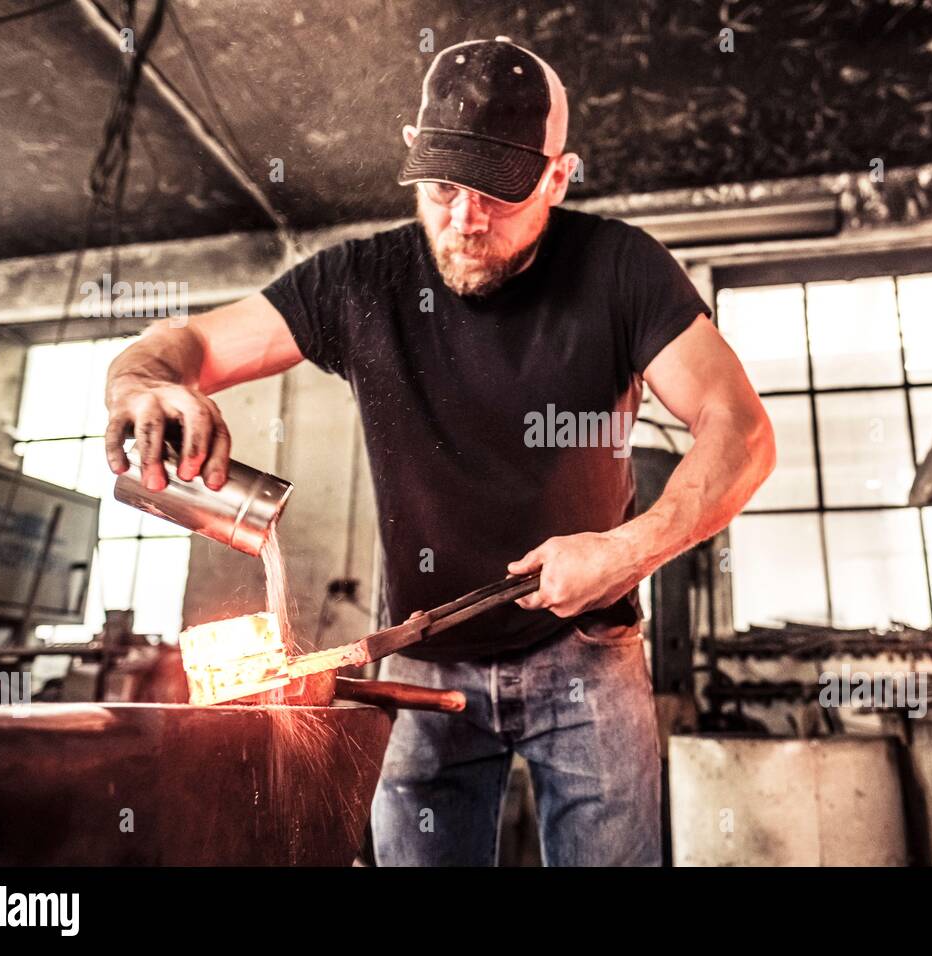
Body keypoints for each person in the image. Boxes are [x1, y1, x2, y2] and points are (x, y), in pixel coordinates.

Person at [104, 37, 774, 866]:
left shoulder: (620, 269)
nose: (464, 219)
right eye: (443, 186)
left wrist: (629, 551)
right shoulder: (359, 281)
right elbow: (184, 344)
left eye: (497, 193)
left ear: (558, 178)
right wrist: (142, 385)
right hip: (416, 663)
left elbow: (739, 429)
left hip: (590, 656)